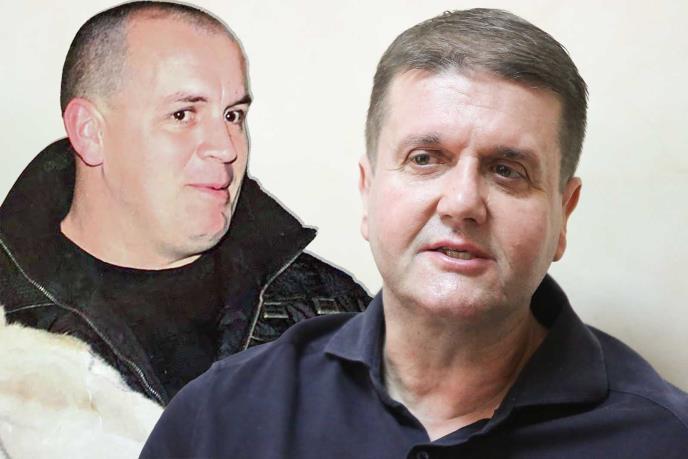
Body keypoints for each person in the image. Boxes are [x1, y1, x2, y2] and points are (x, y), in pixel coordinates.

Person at [141, 8, 688, 458]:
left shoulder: (664, 440)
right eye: (425, 158)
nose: (462, 202)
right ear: (368, 191)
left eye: (507, 170)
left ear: (563, 216)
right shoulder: (222, 418)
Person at [0, 0, 370, 408]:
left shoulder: (329, 313)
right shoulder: (11, 315)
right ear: (90, 133)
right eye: (183, 115)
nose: (226, 148)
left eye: (233, 116)